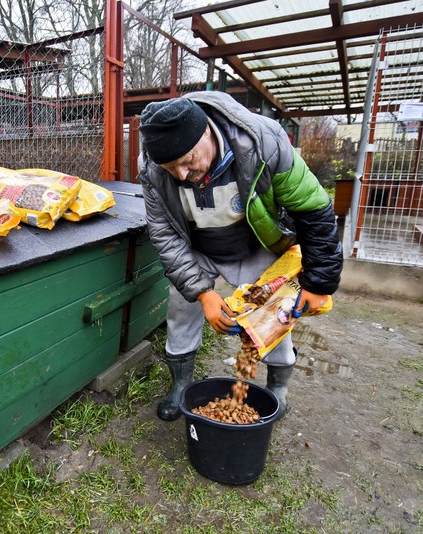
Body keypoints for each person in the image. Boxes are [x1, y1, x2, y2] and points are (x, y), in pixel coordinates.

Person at [136, 91, 343, 421]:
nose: (181, 175)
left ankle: (278, 388)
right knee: (180, 306)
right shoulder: (152, 170)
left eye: (188, 160)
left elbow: (314, 210)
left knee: (275, 313)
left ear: (206, 131)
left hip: (256, 243)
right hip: (199, 248)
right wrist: (204, 294)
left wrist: (320, 284)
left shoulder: (263, 142)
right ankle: (180, 386)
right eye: (170, 167)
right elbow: (165, 237)